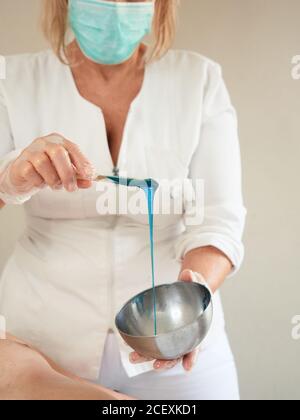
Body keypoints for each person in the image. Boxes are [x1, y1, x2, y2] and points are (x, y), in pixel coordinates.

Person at [0, 0, 246, 400]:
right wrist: (9, 180)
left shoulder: (198, 78)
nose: (116, 7)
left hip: (175, 339)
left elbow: (219, 219)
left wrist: (192, 294)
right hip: (42, 341)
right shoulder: (11, 79)